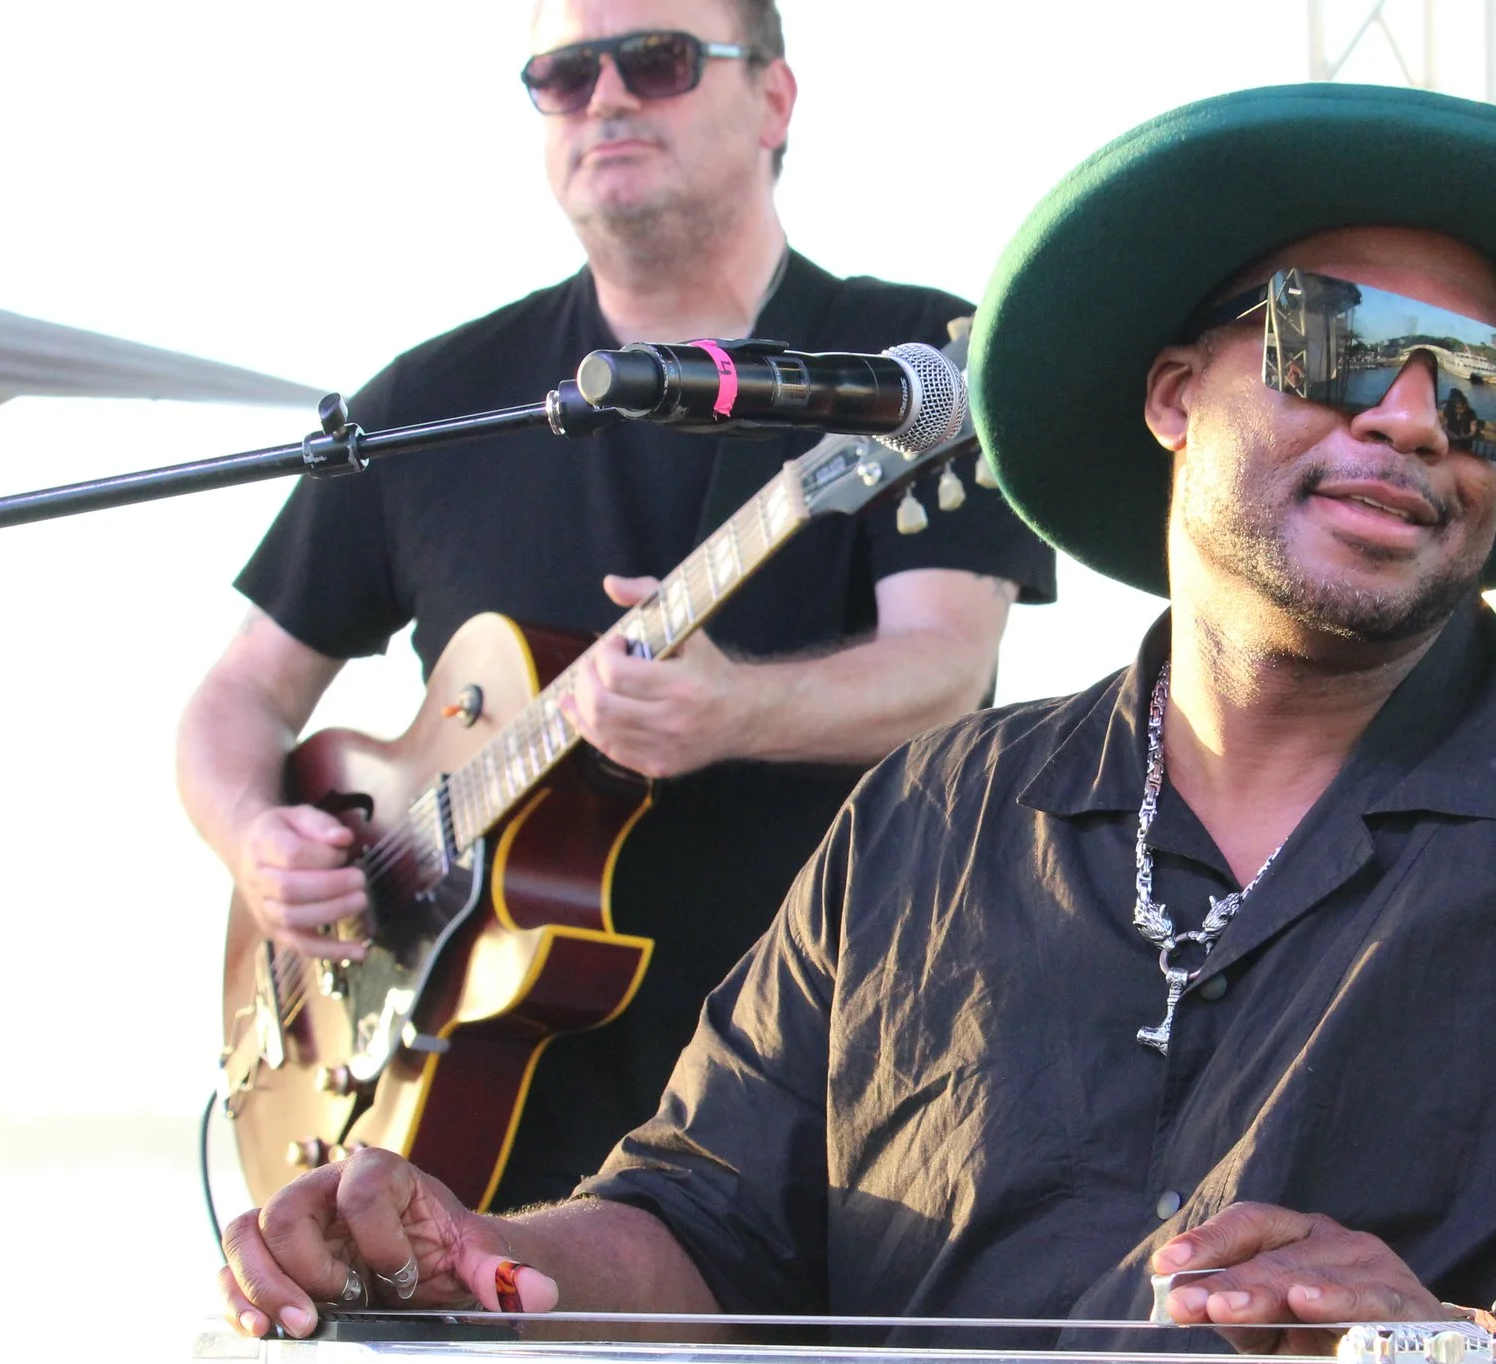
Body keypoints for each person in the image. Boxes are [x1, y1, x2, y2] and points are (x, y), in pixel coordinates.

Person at [218, 83, 1496, 1364]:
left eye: (1491, 385)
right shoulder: (929, 817)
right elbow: (699, 1229)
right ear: (1173, 393)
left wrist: (1459, 1356)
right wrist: (469, 1255)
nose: (1415, 416)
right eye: (1339, 341)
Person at [175, 0, 1053, 1208]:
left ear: (774, 101)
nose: (606, 98)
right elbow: (239, 693)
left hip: (835, 1116)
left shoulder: (903, 363)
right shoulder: (434, 402)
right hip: (472, 1137)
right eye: (563, 74)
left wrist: (737, 711)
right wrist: (255, 841)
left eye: (657, 60)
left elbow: (946, 669)